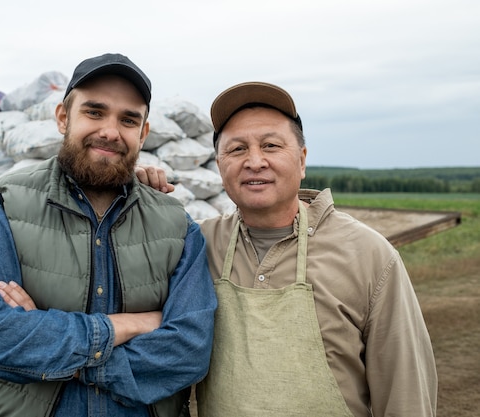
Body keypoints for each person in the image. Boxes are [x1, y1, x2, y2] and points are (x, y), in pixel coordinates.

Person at [138, 81, 438, 416]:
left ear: (302, 159)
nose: (254, 161)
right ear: (219, 165)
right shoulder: (201, 244)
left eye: (271, 145)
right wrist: (133, 198)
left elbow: (406, 393)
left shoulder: (368, 255)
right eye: (236, 150)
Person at [0, 53, 217, 417]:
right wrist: (131, 325)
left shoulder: (177, 226)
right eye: (94, 112)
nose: (110, 131)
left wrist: (50, 348)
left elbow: (189, 350)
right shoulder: (2, 208)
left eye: (128, 119)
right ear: (63, 117)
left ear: (143, 133)